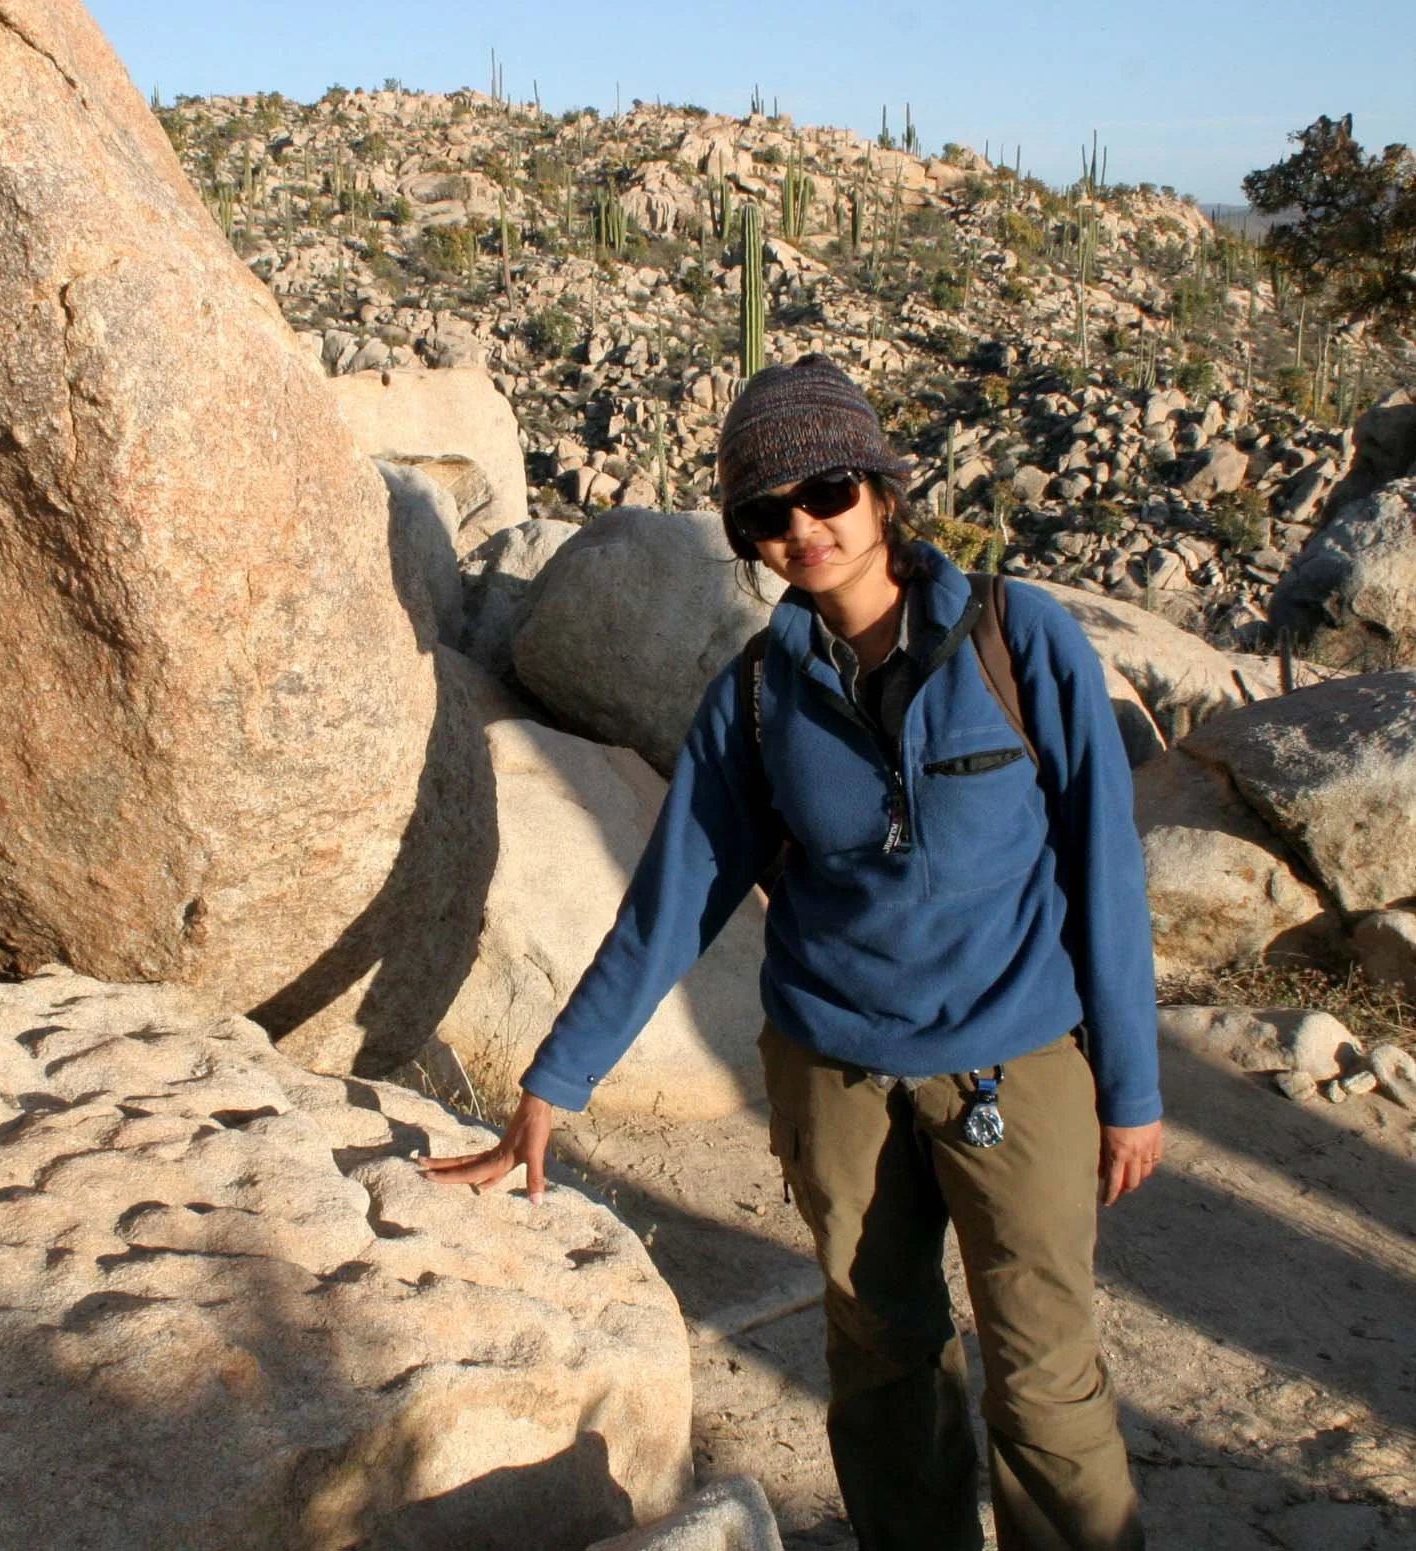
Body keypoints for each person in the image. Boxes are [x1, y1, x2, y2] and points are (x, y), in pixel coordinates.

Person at [424, 354, 1163, 1551]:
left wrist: (1128, 1087)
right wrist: (554, 1083)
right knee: (881, 1362)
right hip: (835, 1075)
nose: (802, 529)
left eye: (825, 492)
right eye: (766, 513)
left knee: (1046, 1375)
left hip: (1015, 1067)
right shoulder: (757, 697)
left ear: (879, 488)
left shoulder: (1017, 643)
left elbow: (1105, 869)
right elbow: (672, 901)